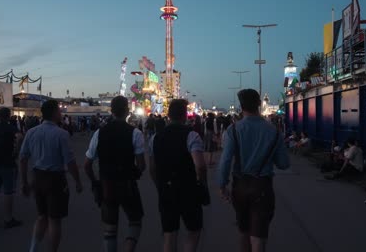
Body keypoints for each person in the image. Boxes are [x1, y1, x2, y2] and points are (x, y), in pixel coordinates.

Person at [219, 89, 290, 252]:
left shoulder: (233, 130)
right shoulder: (273, 131)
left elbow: (225, 161)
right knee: (258, 238)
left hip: (240, 186)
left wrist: (222, 185)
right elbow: (284, 163)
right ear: (259, 104)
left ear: (241, 106)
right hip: (263, 187)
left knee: (243, 232)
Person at [84, 96, 146, 252]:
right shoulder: (135, 133)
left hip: (106, 186)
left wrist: (95, 182)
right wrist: (135, 173)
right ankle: (128, 247)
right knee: (135, 221)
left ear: (111, 111)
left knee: (109, 230)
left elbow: (87, 164)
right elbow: (141, 165)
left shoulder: (99, 133)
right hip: (127, 185)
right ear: (127, 111)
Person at [19, 100, 82, 252]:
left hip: (38, 178)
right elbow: (70, 162)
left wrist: (24, 182)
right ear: (54, 113)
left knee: (42, 216)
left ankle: (33, 248)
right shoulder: (61, 134)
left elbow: (23, 158)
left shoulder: (31, 132)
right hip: (55, 180)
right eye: (59, 111)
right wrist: (78, 181)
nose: (61, 114)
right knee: (54, 220)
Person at [151, 99, 208, 252]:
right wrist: (202, 184)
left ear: (168, 115)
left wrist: (160, 186)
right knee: (194, 230)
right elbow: (200, 166)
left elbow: (153, 168)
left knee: (169, 234)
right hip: (188, 190)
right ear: (184, 116)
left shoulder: (155, 138)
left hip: (166, 191)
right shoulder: (192, 136)